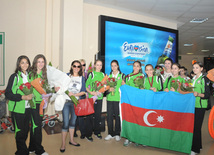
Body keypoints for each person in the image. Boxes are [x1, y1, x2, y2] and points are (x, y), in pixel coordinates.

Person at [5, 55, 33, 155]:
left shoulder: (30, 76)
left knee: (26, 131)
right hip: (17, 110)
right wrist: (22, 97)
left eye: (26, 62)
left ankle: (20, 151)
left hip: (28, 108)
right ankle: (23, 152)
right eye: (22, 62)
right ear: (19, 64)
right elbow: (8, 94)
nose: (25, 64)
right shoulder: (14, 76)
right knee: (19, 132)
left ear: (29, 64)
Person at [59, 60, 86, 153]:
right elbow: (60, 86)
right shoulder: (67, 75)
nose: (76, 68)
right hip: (66, 102)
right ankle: (63, 144)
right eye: (74, 66)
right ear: (71, 66)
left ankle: (71, 140)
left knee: (73, 122)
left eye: (78, 66)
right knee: (66, 123)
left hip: (76, 103)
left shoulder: (82, 78)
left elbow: (83, 91)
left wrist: (75, 94)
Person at [28, 54, 48, 155]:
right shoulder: (31, 74)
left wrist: (50, 92)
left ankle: (31, 147)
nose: (41, 64)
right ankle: (39, 150)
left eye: (42, 62)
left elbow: (46, 89)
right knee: (37, 126)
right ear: (35, 62)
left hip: (42, 103)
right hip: (34, 104)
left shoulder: (44, 75)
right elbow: (27, 89)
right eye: (39, 61)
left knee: (34, 126)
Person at [191, 62, 210, 155]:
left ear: (201, 68)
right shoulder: (193, 78)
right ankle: (199, 145)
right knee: (195, 126)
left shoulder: (204, 79)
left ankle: (195, 150)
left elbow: (207, 95)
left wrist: (198, 94)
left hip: (200, 106)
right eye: (193, 68)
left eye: (197, 68)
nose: (195, 69)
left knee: (196, 127)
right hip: (193, 105)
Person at [123, 60, 144, 146]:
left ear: (140, 68)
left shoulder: (142, 76)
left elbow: (143, 88)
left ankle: (137, 138)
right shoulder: (128, 76)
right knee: (129, 119)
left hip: (138, 101)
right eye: (134, 66)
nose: (135, 67)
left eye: (137, 66)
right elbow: (126, 88)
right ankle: (128, 138)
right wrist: (123, 85)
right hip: (129, 101)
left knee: (137, 119)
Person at [105, 60, 125, 141]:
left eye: (115, 65)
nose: (113, 67)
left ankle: (117, 133)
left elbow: (125, 88)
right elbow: (104, 89)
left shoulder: (122, 75)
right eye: (112, 66)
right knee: (109, 117)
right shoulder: (108, 76)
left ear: (118, 66)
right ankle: (110, 133)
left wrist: (124, 85)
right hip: (109, 99)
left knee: (117, 116)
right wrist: (109, 90)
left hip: (118, 99)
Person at [85, 60, 105, 141]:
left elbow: (104, 86)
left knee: (97, 116)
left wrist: (102, 90)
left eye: (100, 65)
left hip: (99, 98)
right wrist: (91, 92)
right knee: (90, 116)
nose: (99, 66)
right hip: (91, 98)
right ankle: (88, 134)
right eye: (97, 65)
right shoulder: (91, 74)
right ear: (95, 66)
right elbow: (86, 87)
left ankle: (97, 132)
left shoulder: (103, 74)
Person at [73, 59, 87, 138]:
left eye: (83, 65)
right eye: (80, 65)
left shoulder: (87, 74)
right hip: (75, 97)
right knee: (74, 115)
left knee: (81, 116)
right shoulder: (75, 74)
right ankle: (73, 131)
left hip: (82, 97)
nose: (82, 67)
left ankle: (83, 133)